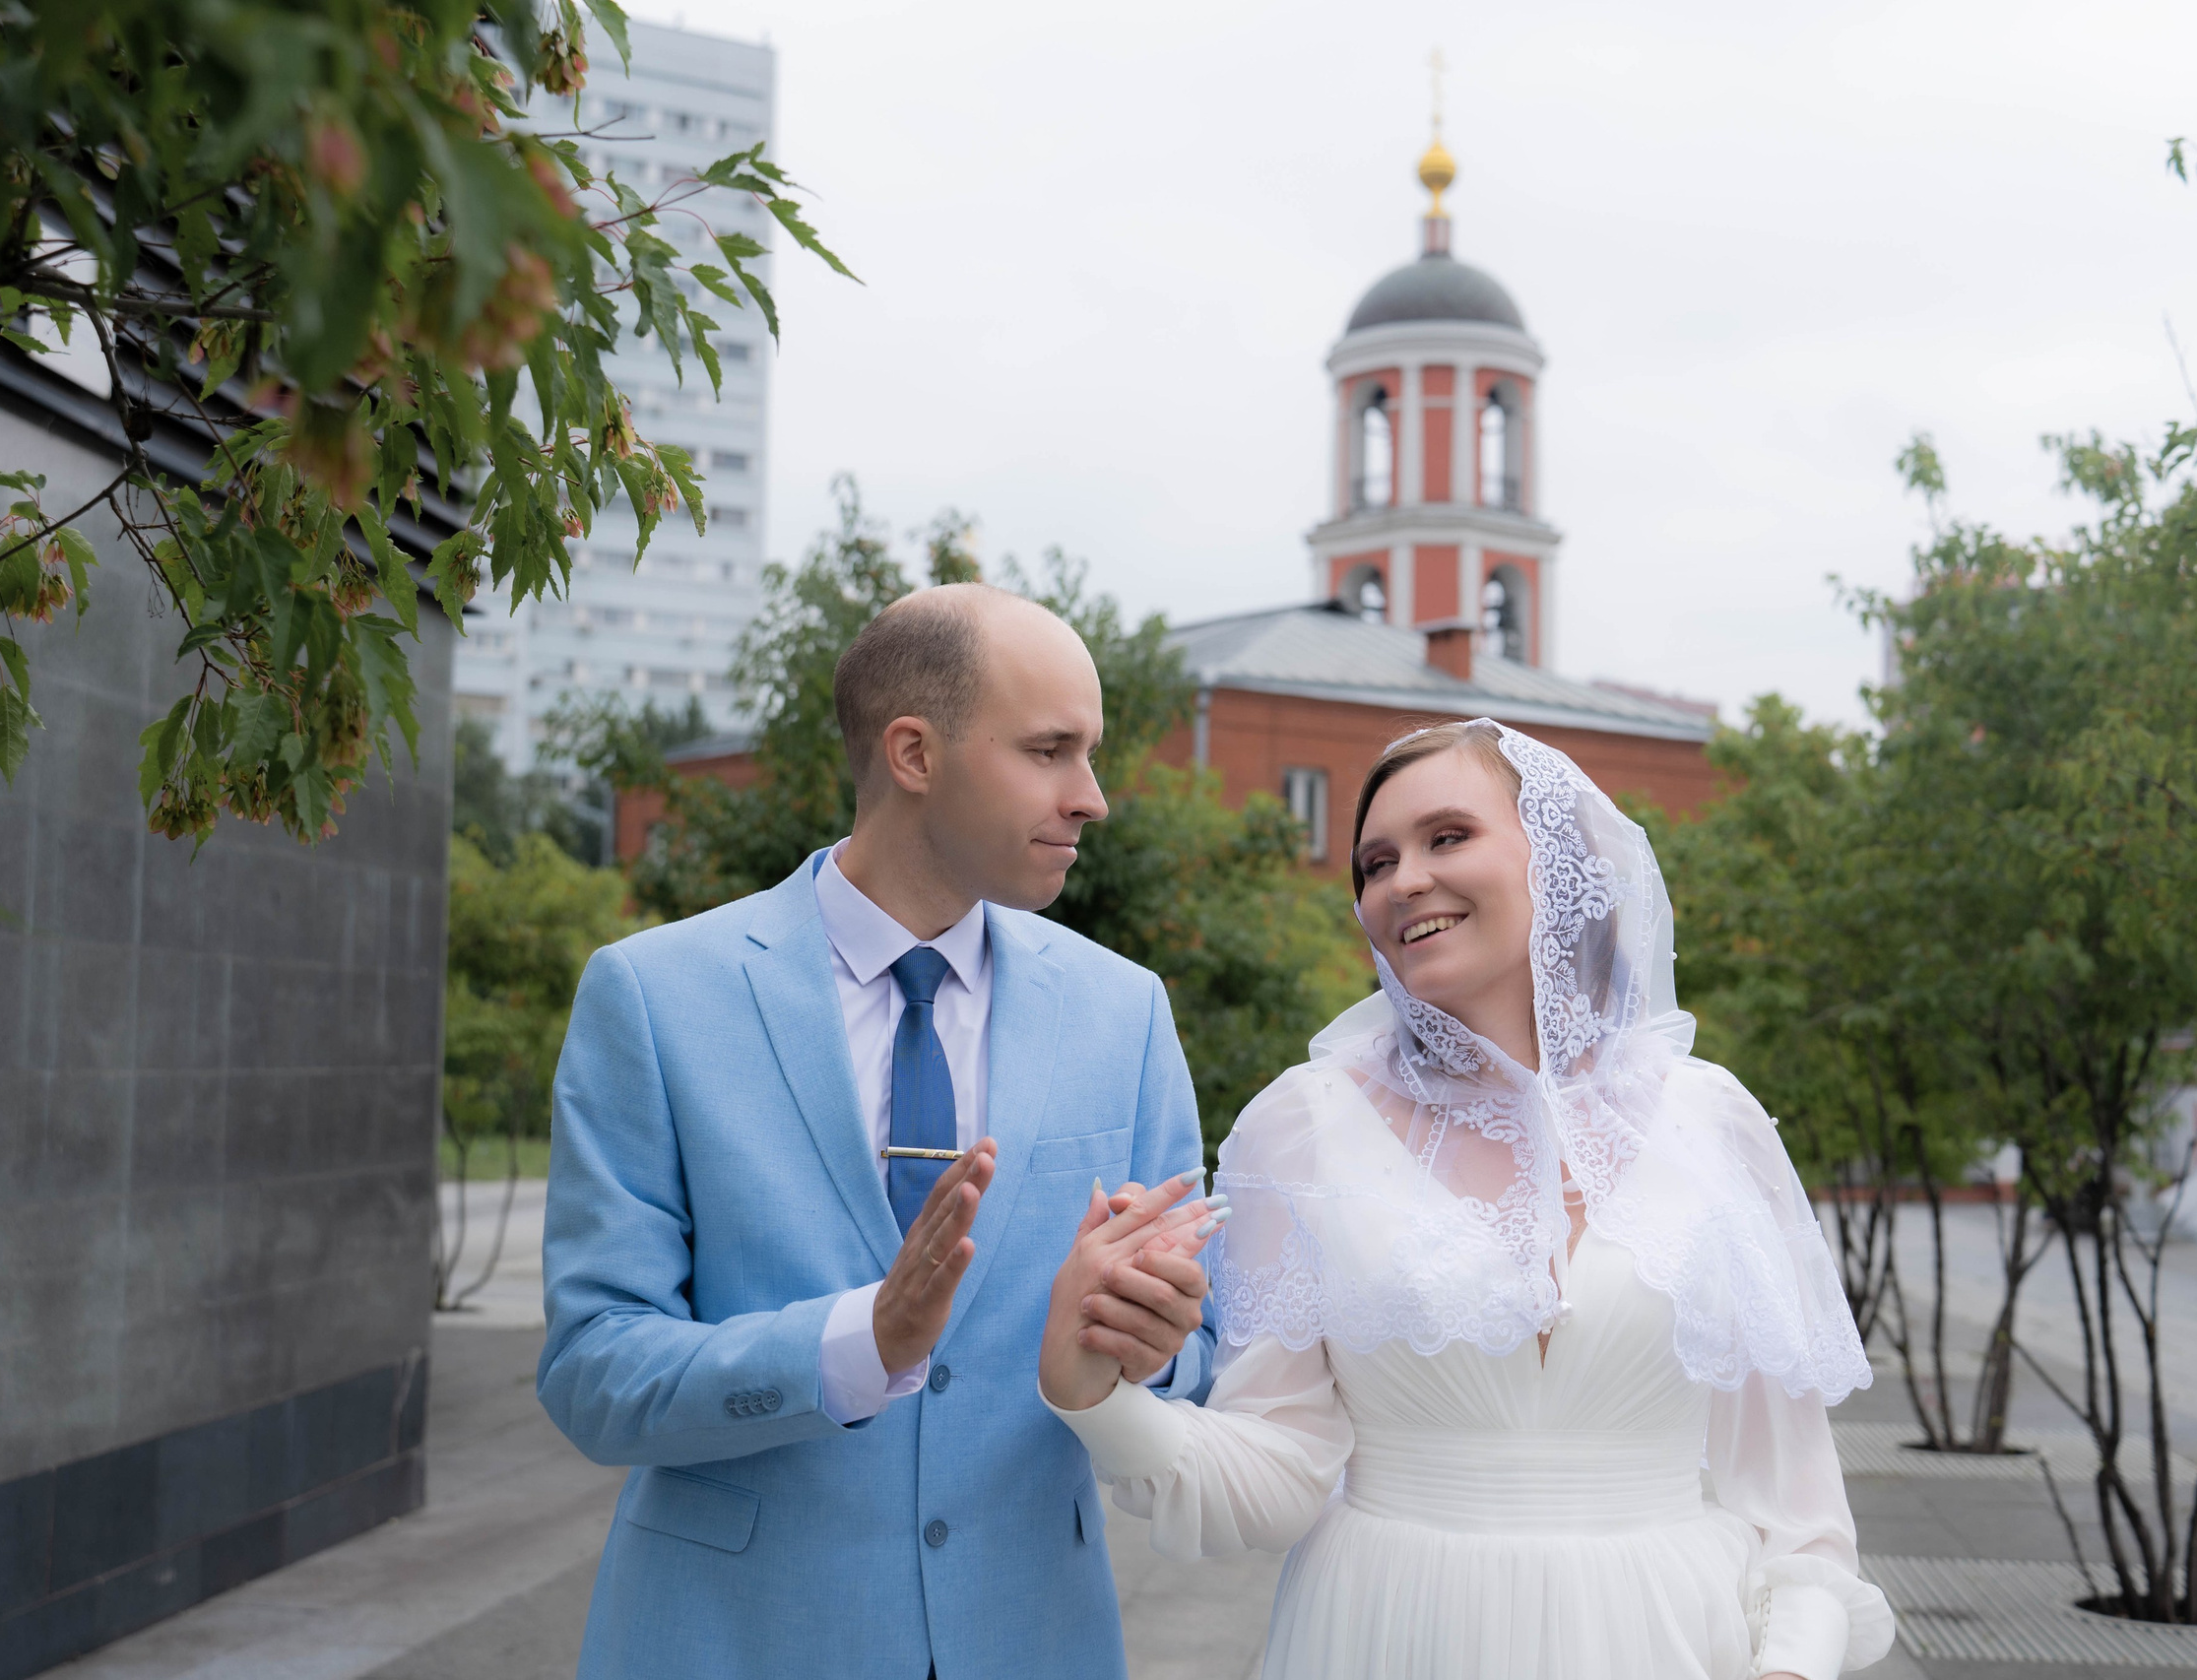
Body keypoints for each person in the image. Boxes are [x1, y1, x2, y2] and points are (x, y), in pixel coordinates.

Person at [1040, 719, 1897, 1680]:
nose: (1400, 879)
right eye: (1373, 861)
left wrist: (1789, 1666)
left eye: (1446, 836)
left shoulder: (1714, 1124)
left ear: (1562, 860)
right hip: (1384, 1633)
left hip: (1665, 1634)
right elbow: (1277, 1470)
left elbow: (1800, 1510)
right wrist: (1094, 1397)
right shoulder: (1301, 1126)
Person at [539, 582, 1220, 1680]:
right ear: (912, 752)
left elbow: (1199, 1356)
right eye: (1050, 749)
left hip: (1032, 1637)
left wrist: (1151, 1342)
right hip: (731, 1638)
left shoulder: (1123, 1009)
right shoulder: (656, 996)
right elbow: (594, 1372)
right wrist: (859, 1344)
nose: (1089, 796)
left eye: (1088, 754)